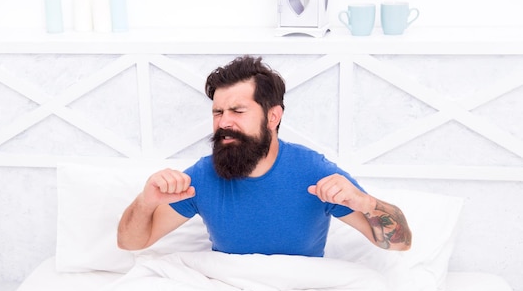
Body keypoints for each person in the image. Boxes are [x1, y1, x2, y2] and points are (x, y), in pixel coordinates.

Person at [117, 55, 411, 256]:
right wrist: (146, 201)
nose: (224, 122)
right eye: (218, 112)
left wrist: (365, 202)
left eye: (238, 111)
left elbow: (399, 244)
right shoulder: (203, 176)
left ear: (273, 117)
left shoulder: (314, 171)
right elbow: (132, 243)